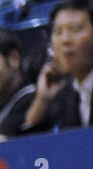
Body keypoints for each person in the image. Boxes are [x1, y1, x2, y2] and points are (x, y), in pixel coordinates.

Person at [22, 0, 93, 134]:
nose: (65, 40)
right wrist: (42, 100)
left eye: (75, 29)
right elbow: (35, 149)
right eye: (58, 32)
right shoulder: (66, 92)